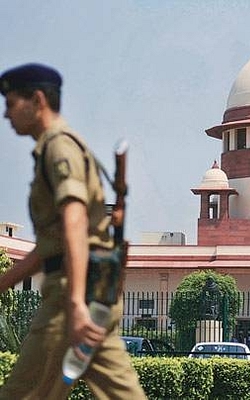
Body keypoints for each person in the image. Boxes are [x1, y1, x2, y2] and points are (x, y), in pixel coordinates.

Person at [0, 63, 146, 399]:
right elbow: (50, 245)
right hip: (94, 295)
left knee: (23, 393)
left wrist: (77, 304)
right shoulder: (60, 148)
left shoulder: (58, 149)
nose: (6, 115)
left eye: (10, 104)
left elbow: (75, 223)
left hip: (70, 300)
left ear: (37, 100)